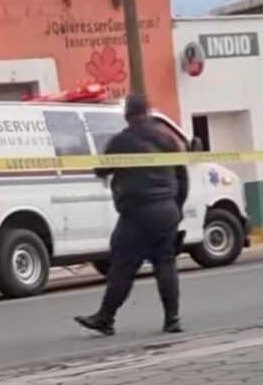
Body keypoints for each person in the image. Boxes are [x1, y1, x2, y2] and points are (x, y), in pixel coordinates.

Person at [74, 94, 188, 336]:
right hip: (167, 210)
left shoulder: (121, 142)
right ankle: (172, 319)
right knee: (165, 263)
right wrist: (176, 208)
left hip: (137, 213)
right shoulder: (167, 141)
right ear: (147, 112)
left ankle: (105, 318)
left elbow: (102, 170)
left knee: (122, 265)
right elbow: (183, 178)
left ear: (127, 115)